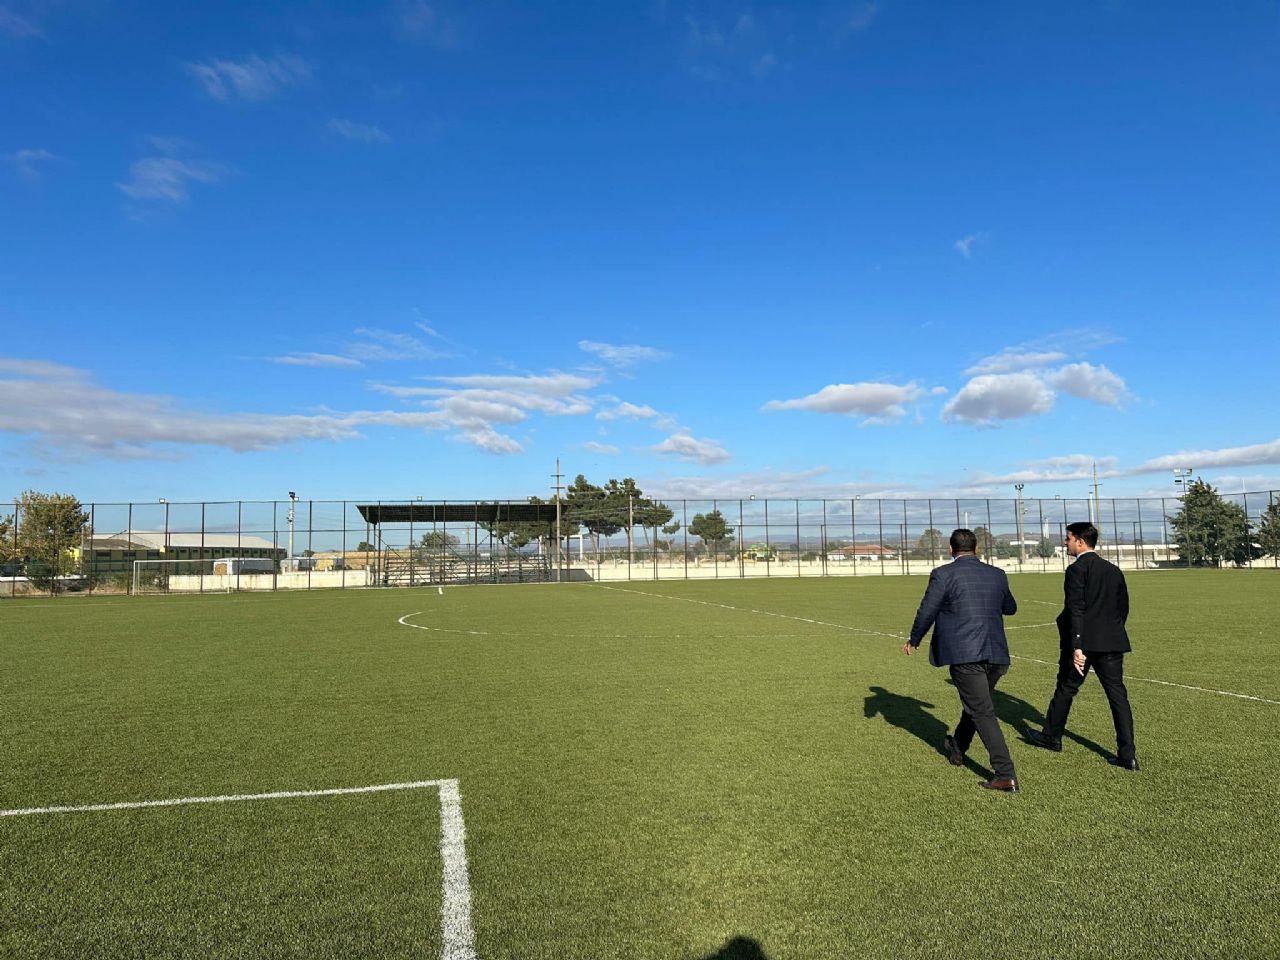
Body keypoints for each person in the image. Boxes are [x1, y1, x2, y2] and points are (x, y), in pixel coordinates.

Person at [902, 528, 1020, 793]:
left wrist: (915, 638)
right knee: (976, 704)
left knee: (981, 710)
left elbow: (927, 609)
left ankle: (1005, 774)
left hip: (966, 654)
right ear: (976, 548)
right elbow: (1010, 608)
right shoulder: (997, 574)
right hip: (997, 654)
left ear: (951, 550)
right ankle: (958, 747)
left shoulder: (943, 574)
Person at [1025, 522, 1138, 770]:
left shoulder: (1076, 570)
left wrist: (1077, 645)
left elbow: (1076, 608)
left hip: (1084, 644)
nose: (1064, 543)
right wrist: (1111, 632)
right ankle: (1127, 754)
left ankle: (1051, 737)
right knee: (1118, 696)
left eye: (1067, 539)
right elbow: (1123, 608)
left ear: (1080, 541)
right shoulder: (1113, 570)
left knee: (1066, 688)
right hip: (1111, 642)